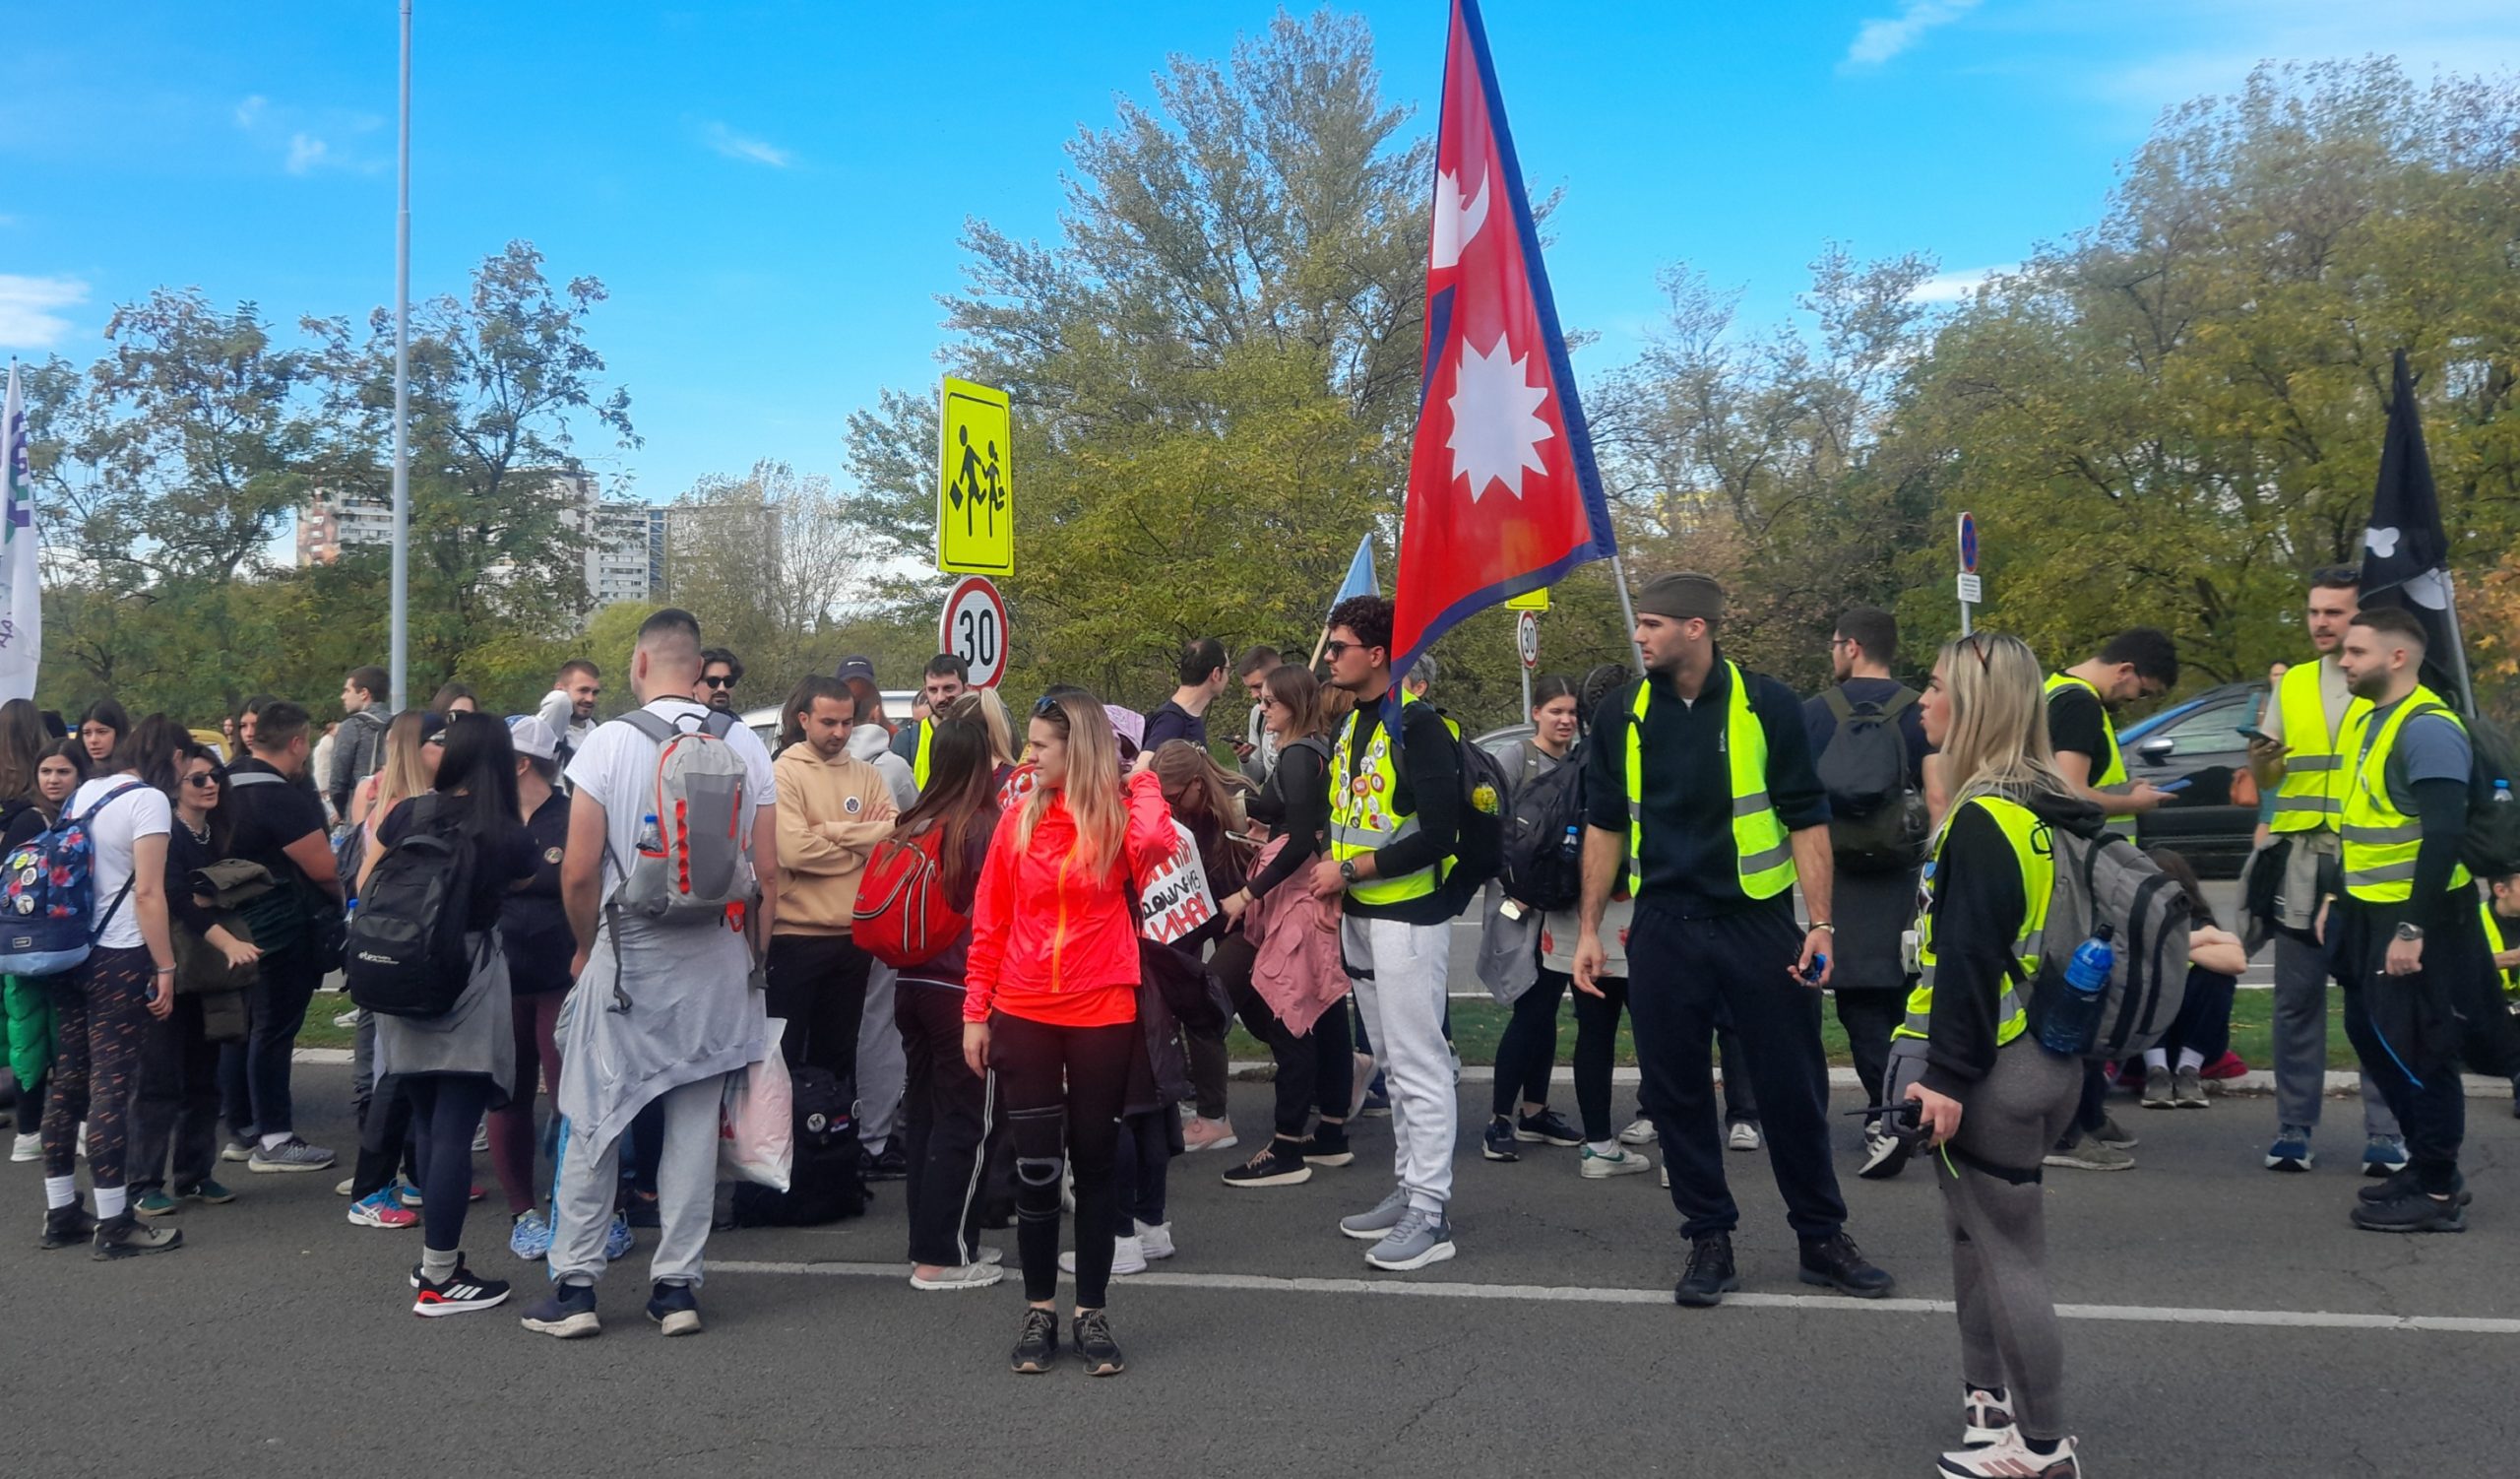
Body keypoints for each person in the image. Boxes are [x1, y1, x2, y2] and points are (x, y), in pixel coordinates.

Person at [1573, 572, 1893, 1308]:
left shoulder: (1769, 704)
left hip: (1756, 925)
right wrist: (1590, 930)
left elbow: (1806, 819)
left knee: (1793, 1088)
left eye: (1653, 623)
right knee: (1677, 1092)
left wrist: (1820, 923)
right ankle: (1708, 1237)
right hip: (1662, 927)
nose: (1640, 635)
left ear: (1697, 628)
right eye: (1640, 622)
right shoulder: (1621, 713)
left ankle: (1821, 1237)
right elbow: (1604, 824)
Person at [522, 609, 780, 1340]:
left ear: (640, 665)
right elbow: (769, 872)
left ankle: (575, 1288)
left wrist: (581, 947)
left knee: (594, 1117)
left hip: (629, 952)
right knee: (694, 1128)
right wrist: (756, 964)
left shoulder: (607, 742)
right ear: (698, 671)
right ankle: (677, 1289)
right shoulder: (745, 746)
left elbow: (577, 870)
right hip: (718, 956)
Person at [1898, 630, 2099, 1479]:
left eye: (1938, 687)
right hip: (2046, 1060)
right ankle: (1989, 1403)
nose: (1923, 702)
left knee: (2011, 1255)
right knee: (1973, 1240)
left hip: (1993, 1069)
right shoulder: (2047, 813)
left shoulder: (1982, 822)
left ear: (1975, 705)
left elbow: (1971, 965)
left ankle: (2042, 1447)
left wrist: (1943, 1080)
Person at [963, 690, 1175, 1376]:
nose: (1027, 755)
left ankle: (1091, 1311)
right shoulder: (1017, 821)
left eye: (1041, 745)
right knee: (1035, 1169)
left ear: (1075, 749)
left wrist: (1137, 777)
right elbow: (990, 921)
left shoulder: (1116, 820)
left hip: (1101, 1007)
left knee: (1097, 1160)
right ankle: (1038, 1311)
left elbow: (1153, 842)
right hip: (1023, 1006)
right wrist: (975, 1010)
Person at [1309, 595, 1468, 1272]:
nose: (1327, 658)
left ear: (1377, 655)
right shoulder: (1354, 726)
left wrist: (1345, 870)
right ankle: (1409, 1190)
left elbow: (1441, 834)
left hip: (1409, 918)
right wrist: (1336, 883)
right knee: (1395, 1066)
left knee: (1419, 1063)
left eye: (1338, 646)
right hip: (1363, 917)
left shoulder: (1421, 727)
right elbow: (1346, 819)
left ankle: (1431, 1213)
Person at [2329, 607, 2492, 1233]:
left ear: (2397, 658)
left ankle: (2436, 1191)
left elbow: (2445, 833)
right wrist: (2338, 900)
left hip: (2420, 918)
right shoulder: (2372, 719)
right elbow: (2366, 826)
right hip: (2366, 910)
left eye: (2356, 652)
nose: (2344, 661)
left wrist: (2411, 929)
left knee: (2423, 1050)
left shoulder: (2426, 728)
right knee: (2374, 1037)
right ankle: (2430, 1166)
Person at [368, 714, 538, 1314]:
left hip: (400, 971)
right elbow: (520, 882)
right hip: (467, 974)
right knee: (454, 1128)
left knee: (425, 1119)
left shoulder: (407, 813)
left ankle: (434, 1267)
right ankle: (439, 1276)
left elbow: (372, 875)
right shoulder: (504, 831)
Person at [2244, 567, 2404, 1174]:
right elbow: (2269, 782)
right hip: (2301, 864)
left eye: (2334, 613)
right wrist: (2261, 762)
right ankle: (2294, 1128)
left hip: (2367, 864)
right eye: (2314, 612)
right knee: (2295, 1001)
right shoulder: (2295, 684)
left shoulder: (2384, 683)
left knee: (2376, 999)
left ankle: (2386, 1132)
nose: (2320, 623)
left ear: (2360, 618)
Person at [38, 709, 183, 1258]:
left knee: (70, 1080)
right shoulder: (149, 802)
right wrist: (165, 965)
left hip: (69, 951)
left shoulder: (84, 794)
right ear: (166, 757)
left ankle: (60, 1211)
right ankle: (114, 1220)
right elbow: (148, 893)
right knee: (112, 1086)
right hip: (120, 953)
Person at [2041, 626, 2178, 1174]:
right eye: (2141, 690)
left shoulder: (2059, 693)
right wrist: (2133, 802)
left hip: (2083, 868)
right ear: (2124, 670)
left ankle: (2089, 1113)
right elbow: (2067, 789)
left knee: (2089, 989)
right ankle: (2067, 1130)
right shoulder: (2077, 704)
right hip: (2083, 872)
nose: (2135, 700)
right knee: (2082, 992)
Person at [1804, 605, 1934, 1177]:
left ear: (1852, 646)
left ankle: (1884, 1118)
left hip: (1840, 884)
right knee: (1913, 1000)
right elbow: (1940, 802)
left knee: (1860, 1007)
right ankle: (1916, 1108)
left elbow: (1798, 812)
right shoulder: (1923, 710)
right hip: (1908, 880)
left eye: (1834, 644)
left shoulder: (1814, 715)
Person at [1217, 662, 1356, 1187]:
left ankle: (1286, 1149)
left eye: (1270, 702)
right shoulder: (1312, 752)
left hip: (1296, 903)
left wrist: (1247, 893)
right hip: (1310, 900)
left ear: (1293, 706)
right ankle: (1332, 1132)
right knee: (1325, 1014)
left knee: (1290, 1017)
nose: (1262, 709)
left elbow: (1298, 840)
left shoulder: (1300, 756)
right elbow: (1274, 806)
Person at [891, 713, 1008, 1290]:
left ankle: (938, 1241)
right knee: (966, 1120)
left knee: (926, 1116)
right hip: (962, 989)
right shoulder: (985, 824)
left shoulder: (913, 820)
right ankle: (939, 1256)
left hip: (909, 981)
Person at [128, 739, 257, 1218]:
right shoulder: (166, 829)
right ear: (175, 786)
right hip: (170, 962)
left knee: (205, 1078)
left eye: (215, 777)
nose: (210, 786)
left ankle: (195, 1174)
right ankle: (143, 1181)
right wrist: (221, 926)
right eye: (198, 779)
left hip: (212, 970)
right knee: (159, 1078)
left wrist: (220, 896)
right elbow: (175, 896)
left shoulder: (221, 829)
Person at [218, 700, 342, 1174]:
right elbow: (324, 869)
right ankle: (276, 1136)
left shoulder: (224, 782)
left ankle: (242, 1130)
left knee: (241, 1029)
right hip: (281, 927)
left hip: (232, 926)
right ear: (296, 741)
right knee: (273, 1030)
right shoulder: (280, 796)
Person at [342, 710, 446, 1228]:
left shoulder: (389, 799)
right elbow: (367, 881)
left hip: (395, 947)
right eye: (440, 741)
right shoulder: (405, 807)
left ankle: (417, 1176)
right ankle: (371, 1189)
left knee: (408, 1070)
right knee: (396, 1073)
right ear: (418, 747)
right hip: (400, 950)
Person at [1481, 676, 1589, 1164]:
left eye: (1571, 712)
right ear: (1537, 712)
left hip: (1560, 905)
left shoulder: (1578, 762)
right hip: (1518, 904)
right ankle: (1499, 1120)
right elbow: (1491, 828)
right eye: (1556, 712)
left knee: (1545, 1009)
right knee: (1529, 1009)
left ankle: (1535, 1110)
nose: (1565, 720)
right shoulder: (1514, 760)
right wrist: (1517, 892)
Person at [768, 676, 896, 1080]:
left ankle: (838, 1142)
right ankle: (787, 1146)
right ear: (804, 719)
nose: (839, 732)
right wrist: (859, 845)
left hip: (853, 940)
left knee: (839, 1059)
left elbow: (892, 837)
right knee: (784, 1063)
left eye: (846, 723)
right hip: (795, 940)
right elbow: (793, 850)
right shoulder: (783, 774)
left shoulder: (868, 775)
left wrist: (829, 830)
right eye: (828, 722)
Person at [494, 716, 574, 1260]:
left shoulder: (572, 816)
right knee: (508, 1094)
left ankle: (584, 1207)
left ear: (522, 762)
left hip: (562, 977)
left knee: (573, 1098)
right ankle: (523, 1213)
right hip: (497, 979)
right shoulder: (487, 818)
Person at [5, 736, 85, 1162]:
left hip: (35, 945)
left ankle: (36, 1130)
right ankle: (33, 1129)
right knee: (37, 1037)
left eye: (63, 771)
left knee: (41, 1036)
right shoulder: (32, 821)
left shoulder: (47, 817)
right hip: (37, 945)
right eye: (47, 771)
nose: (53, 779)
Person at [2136, 848, 2248, 1110]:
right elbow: (2131, 954)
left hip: (2196, 1039)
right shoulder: (2134, 920)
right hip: (2140, 1046)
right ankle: (2157, 1073)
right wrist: (2201, 941)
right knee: (2147, 975)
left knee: (2217, 977)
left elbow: (2237, 961)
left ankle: (2189, 1071)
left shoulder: (2198, 920)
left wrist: (2170, 945)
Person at [890, 655, 971, 784]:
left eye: (948, 688)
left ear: (966, 689)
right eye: (933, 690)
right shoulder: (906, 742)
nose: (940, 698)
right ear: (925, 691)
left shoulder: (984, 735)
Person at [328, 665, 393, 819]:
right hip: (392, 811)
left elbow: (338, 780)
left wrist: (345, 811)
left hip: (360, 812)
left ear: (364, 693)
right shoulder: (399, 724)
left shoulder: (352, 725)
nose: (343, 697)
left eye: (347, 690)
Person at [1143, 638, 1228, 753]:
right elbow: (1141, 769)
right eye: (1227, 670)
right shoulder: (1171, 721)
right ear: (1216, 674)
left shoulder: (1188, 717)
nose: (1228, 677)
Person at [2483, 872, 2520, 1115]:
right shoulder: (2471, 920)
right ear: (2501, 890)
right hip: (2485, 1019)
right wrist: (2511, 958)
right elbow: (2451, 967)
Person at [1233, 645, 1283, 783]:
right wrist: (1245, 759)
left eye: (1258, 686)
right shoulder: (1258, 715)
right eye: (1249, 688)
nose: (1254, 695)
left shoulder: (1306, 715)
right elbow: (1257, 778)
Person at [534, 659, 602, 757]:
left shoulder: (598, 732)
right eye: (583, 690)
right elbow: (559, 700)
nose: (590, 699)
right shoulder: (548, 729)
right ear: (559, 689)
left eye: (595, 692)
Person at [79, 697, 131, 769]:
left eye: (102, 732)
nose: (93, 740)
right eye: (87, 733)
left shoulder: (135, 774)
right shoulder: (75, 772)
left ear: (118, 732)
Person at [697, 648, 744, 716]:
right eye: (713, 682)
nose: (722, 688)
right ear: (694, 685)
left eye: (728, 681)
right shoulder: (682, 722)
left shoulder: (738, 724)